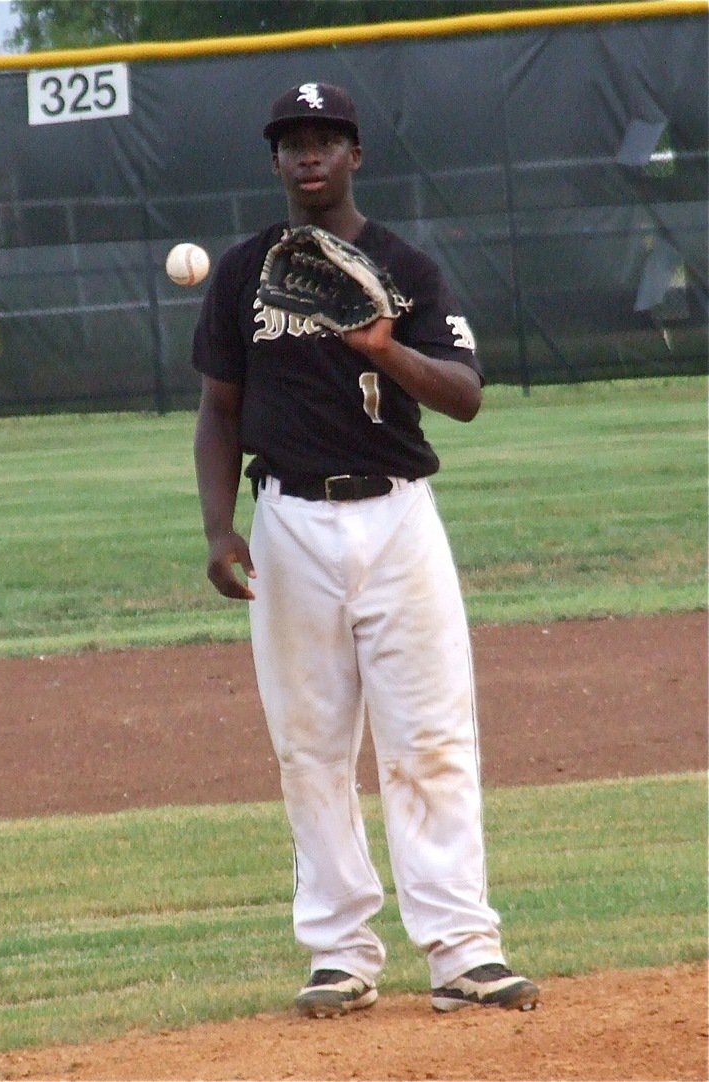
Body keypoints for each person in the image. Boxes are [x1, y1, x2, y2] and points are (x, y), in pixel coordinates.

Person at [191, 83, 540, 1018]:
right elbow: (219, 411)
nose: (309, 155)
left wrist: (383, 347)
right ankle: (339, 955)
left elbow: (465, 394)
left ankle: (464, 950)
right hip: (288, 525)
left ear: (355, 155)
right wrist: (219, 528)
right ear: (275, 162)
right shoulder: (242, 272)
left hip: (396, 519)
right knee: (309, 748)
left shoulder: (405, 267)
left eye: (326, 140)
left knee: (430, 736)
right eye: (292, 142)